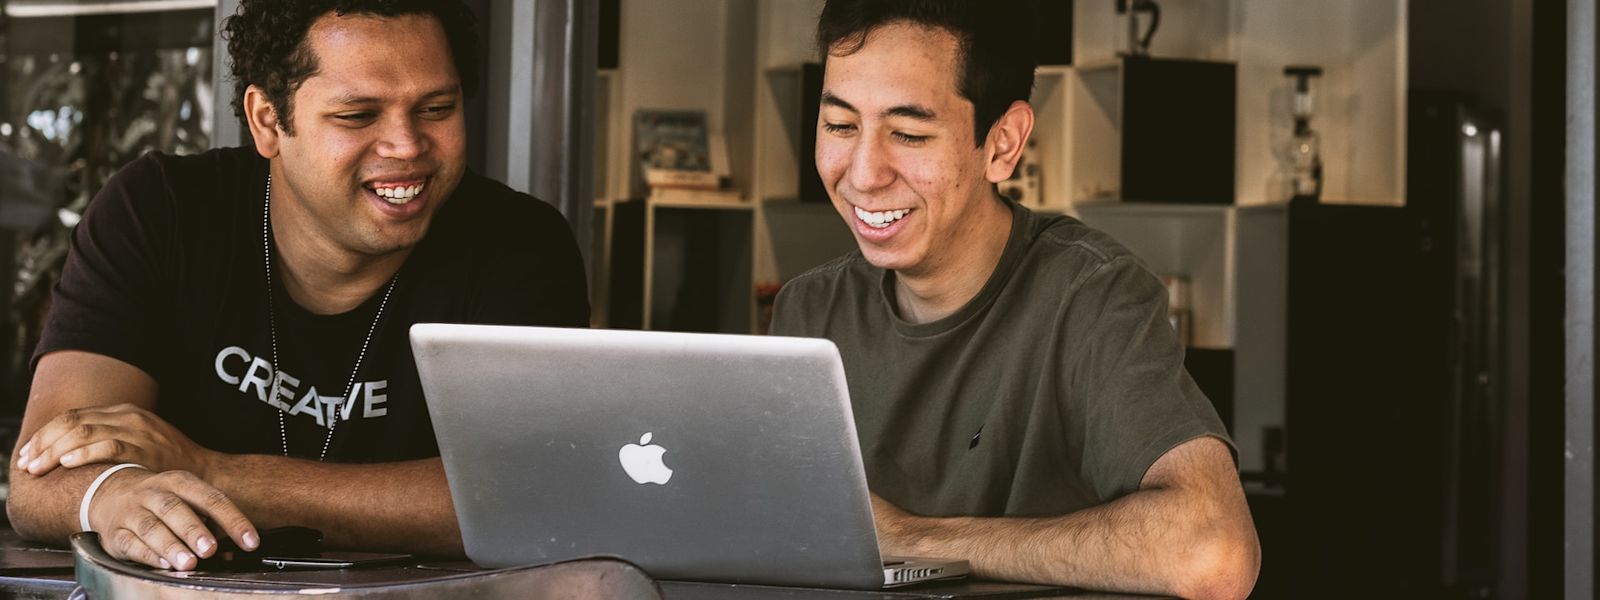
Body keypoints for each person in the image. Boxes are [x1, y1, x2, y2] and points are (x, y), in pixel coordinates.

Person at [6, 0, 589, 572]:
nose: (407, 146)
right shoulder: (161, 212)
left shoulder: (519, 244)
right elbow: (43, 474)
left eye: (436, 108)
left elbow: (527, 498)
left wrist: (213, 473)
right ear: (267, 121)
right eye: (358, 116)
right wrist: (111, 497)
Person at [768, 1, 1260, 598]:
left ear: (1002, 144)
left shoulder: (1091, 295)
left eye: (908, 133)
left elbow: (1214, 551)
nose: (864, 173)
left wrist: (915, 539)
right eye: (841, 126)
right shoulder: (809, 310)